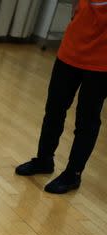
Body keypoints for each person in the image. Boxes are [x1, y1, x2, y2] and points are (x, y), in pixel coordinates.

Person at [15, 0, 106, 194]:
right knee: (54, 108)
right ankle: (44, 159)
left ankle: (73, 174)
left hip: (102, 61)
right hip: (71, 48)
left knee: (86, 120)